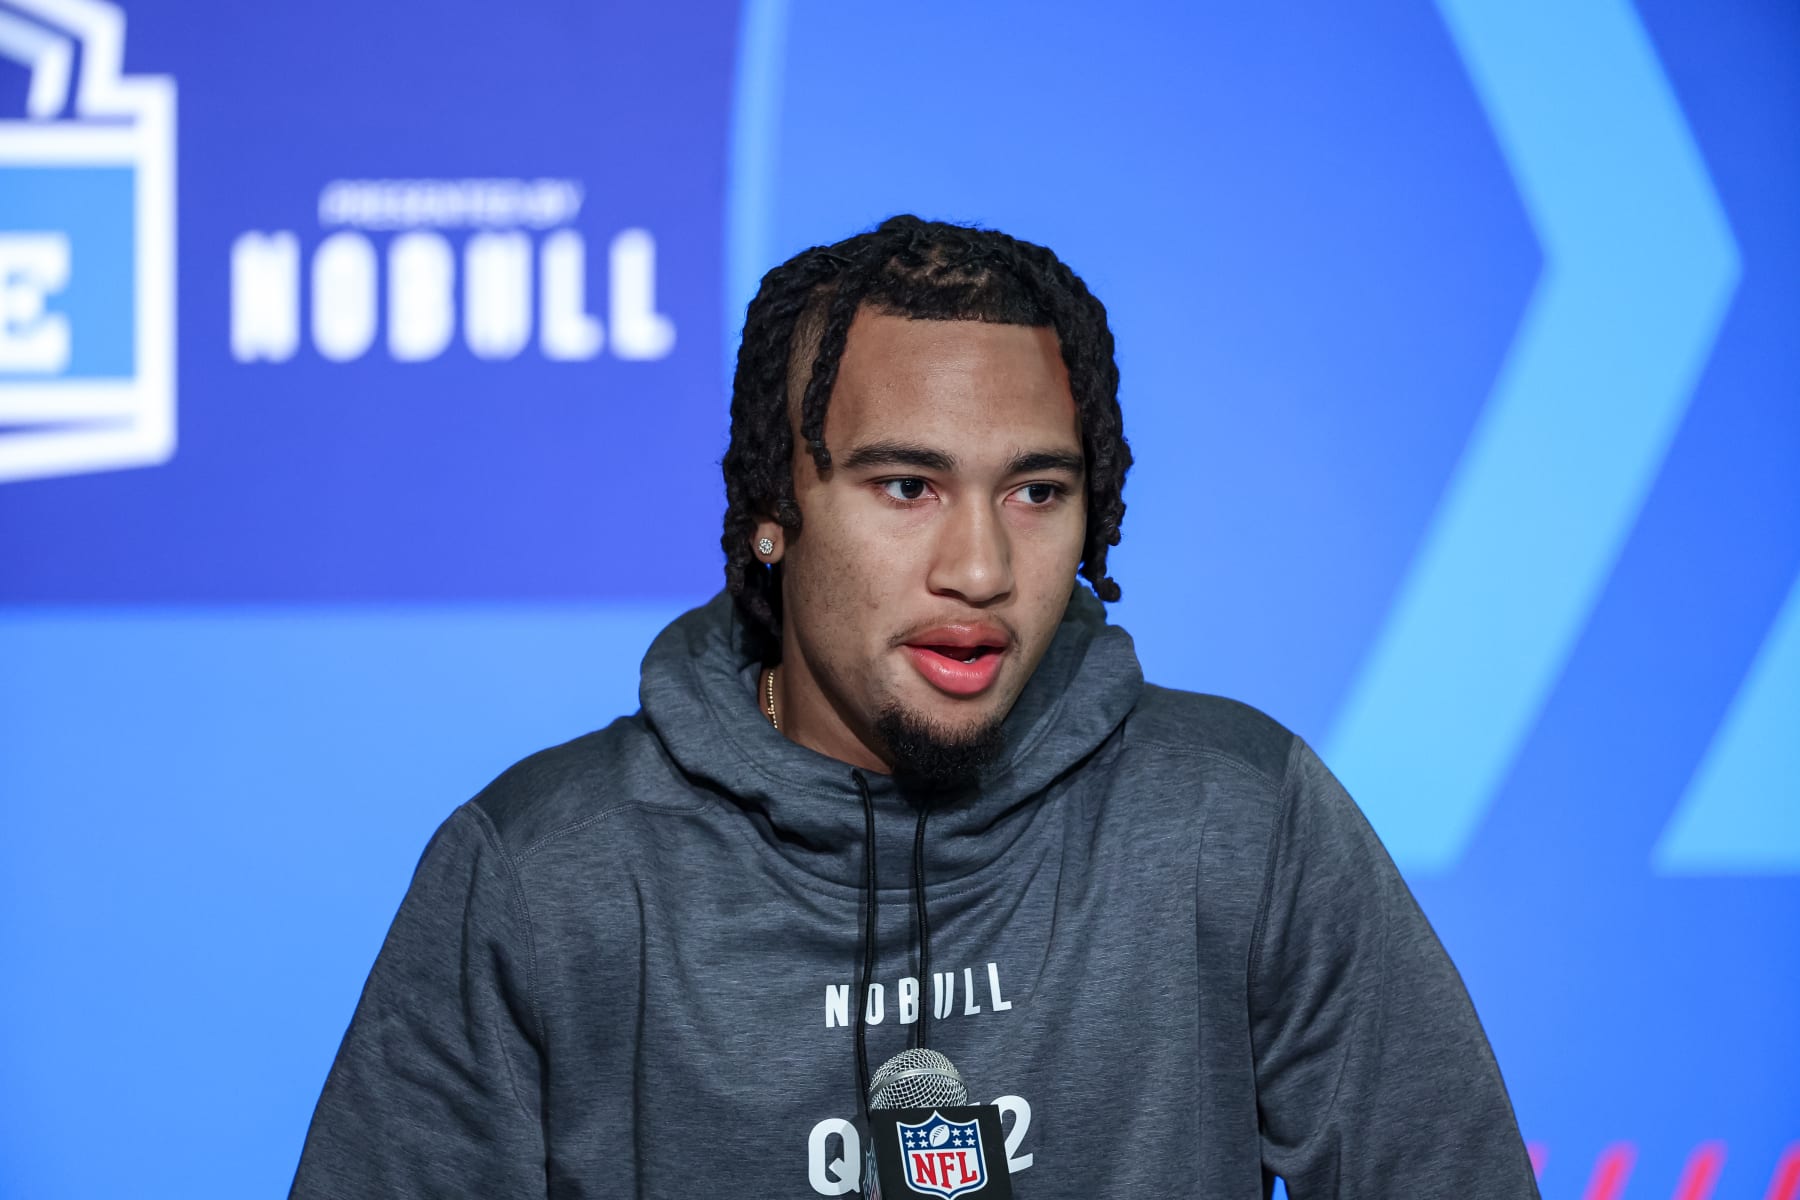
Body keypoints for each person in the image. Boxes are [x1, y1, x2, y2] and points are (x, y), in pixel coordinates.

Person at [290, 215, 1539, 1198]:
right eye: (907, 487)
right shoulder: (546, 874)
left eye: (1038, 492)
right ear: (774, 510)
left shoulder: (1240, 822)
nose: (983, 569)